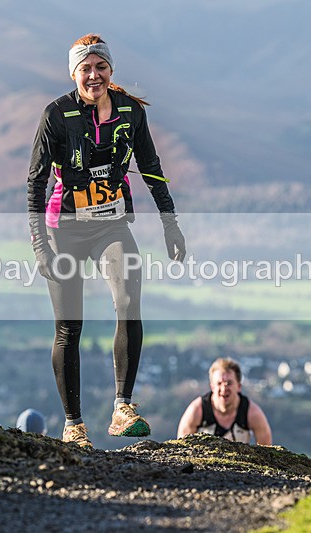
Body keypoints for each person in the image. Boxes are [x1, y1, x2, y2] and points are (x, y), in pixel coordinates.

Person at [27, 34, 186, 448]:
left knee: (129, 303)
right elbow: (36, 181)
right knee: (69, 326)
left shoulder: (131, 112)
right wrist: (39, 244)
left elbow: (151, 167)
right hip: (64, 228)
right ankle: (73, 424)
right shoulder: (56, 115)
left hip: (111, 226)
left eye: (100, 67)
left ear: (110, 71)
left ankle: (122, 407)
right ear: (74, 74)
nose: (93, 75)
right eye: (85, 68)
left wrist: (170, 224)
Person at [177, 357, 273, 445]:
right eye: (219, 383)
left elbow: (267, 450)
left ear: (239, 386)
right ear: (212, 386)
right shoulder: (196, 411)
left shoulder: (252, 413)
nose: (224, 388)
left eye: (229, 383)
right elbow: (181, 448)